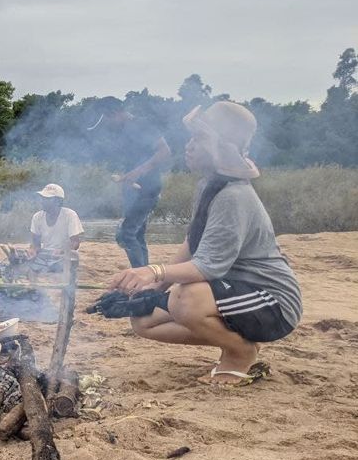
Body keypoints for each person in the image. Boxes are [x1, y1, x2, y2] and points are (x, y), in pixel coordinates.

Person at [108, 102, 302, 386]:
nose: (189, 146)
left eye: (198, 139)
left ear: (219, 148)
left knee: (186, 298)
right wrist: (154, 287)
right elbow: (192, 241)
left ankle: (240, 353)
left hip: (271, 302)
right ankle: (235, 341)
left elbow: (208, 266)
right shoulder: (209, 186)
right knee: (143, 318)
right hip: (232, 295)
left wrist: (152, 271)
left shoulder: (233, 196)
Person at [88, 97, 172, 268]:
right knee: (137, 235)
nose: (107, 126)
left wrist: (138, 171)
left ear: (114, 113)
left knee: (125, 234)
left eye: (106, 120)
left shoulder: (141, 125)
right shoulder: (124, 131)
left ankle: (141, 276)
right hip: (134, 192)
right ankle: (146, 277)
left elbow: (165, 151)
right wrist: (125, 178)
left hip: (147, 189)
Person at [19, 183, 83, 274]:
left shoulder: (70, 215)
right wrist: (33, 250)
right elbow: (35, 244)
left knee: (69, 259)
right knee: (22, 263)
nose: (42, 201)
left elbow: (75, 242)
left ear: (58, 201)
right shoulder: (37, 217)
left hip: (64, 256)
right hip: (45, 255)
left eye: (47, 199)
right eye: (42, 198)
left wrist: (63, 251)